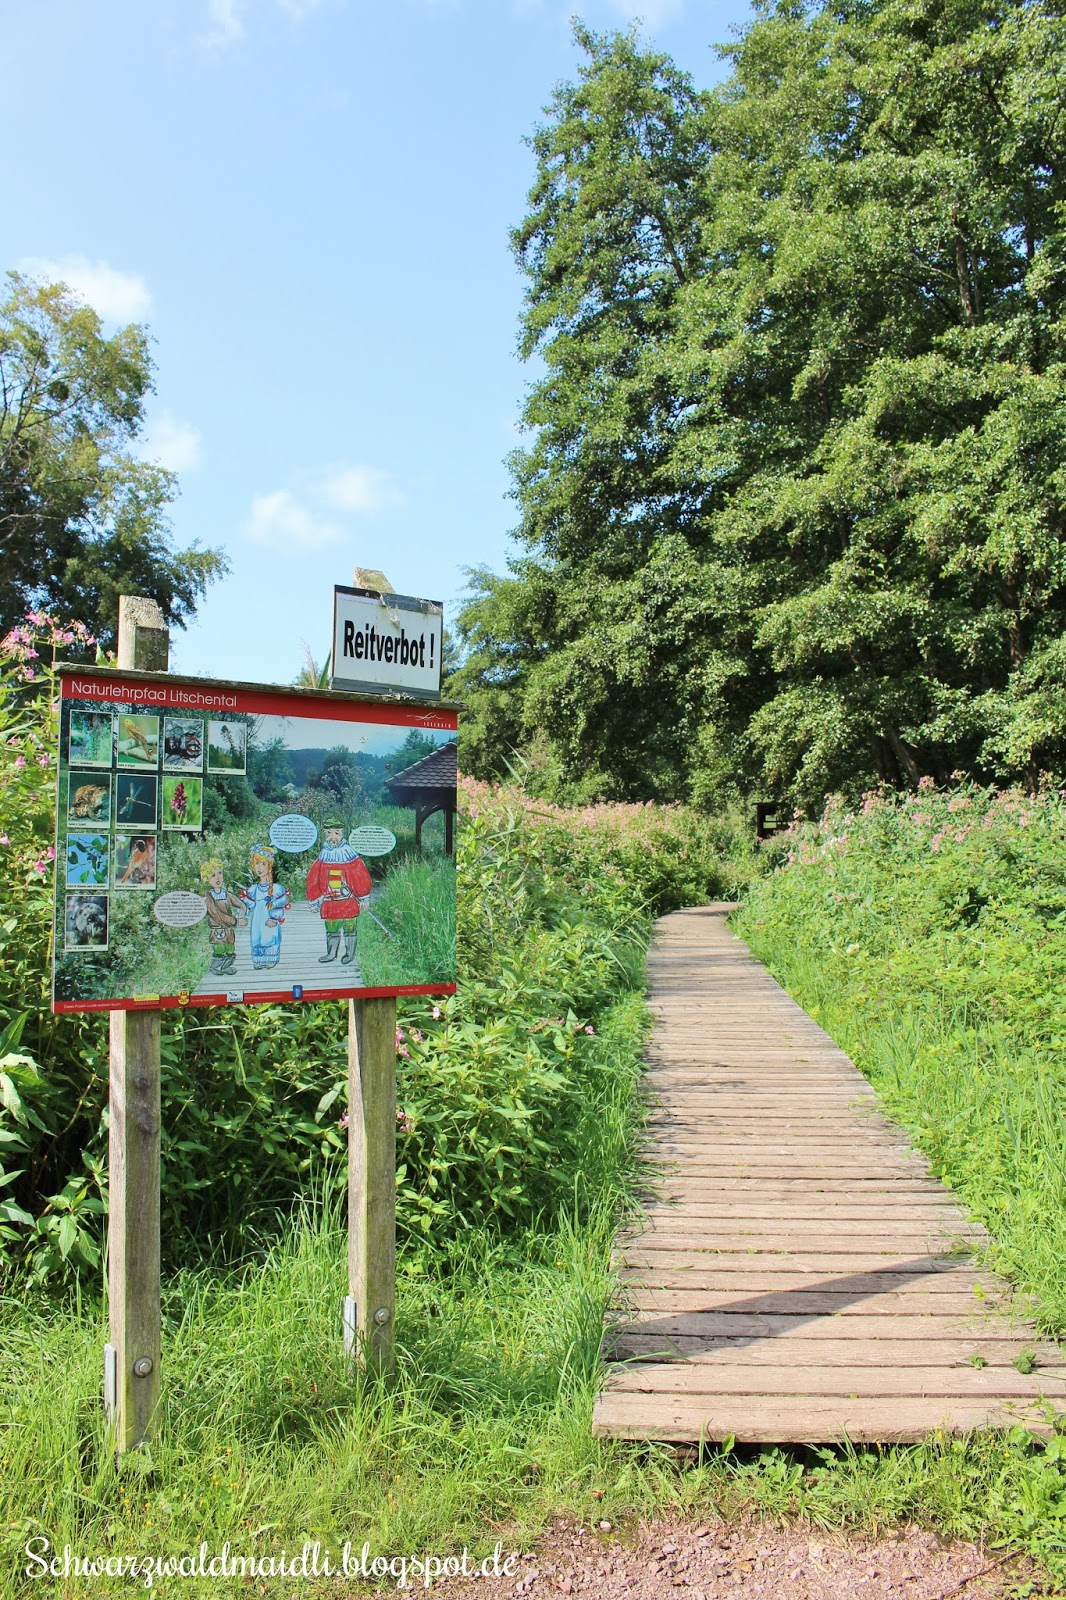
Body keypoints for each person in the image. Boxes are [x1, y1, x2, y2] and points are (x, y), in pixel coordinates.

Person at [305, 817, 372, 965]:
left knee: (350, 928)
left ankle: (349, 954)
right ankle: (331, 953)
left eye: (336, 833)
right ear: (324, 834)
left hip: (348, 900)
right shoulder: (323, 856)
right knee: (331, 928)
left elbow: (360, 876)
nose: (333, 837)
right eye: (329, 833)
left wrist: (363, 897)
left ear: (342, 834)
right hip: (329, 901)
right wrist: (314, 898)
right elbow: (313, 878)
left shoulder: (350, 854)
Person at [240, 845, 290, 970]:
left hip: (269, 920)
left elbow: (280, 905)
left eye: (263, 864)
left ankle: (271, 959)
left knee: (270, 938)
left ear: (269, 865)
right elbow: (246, 904)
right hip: (257, 920)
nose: (260, 867)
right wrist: (242, 915)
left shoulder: (276, 889)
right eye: (257, 863)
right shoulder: (253, 889)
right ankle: (258, 961)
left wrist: (274, 918)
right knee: (257, 938)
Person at [199, 857, 247, 977]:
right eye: (213, 875)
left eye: (219, 873)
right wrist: (236, 921)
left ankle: (226, 967)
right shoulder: (208, 897)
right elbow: (217, 915)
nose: (217, 878)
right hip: (218, 930)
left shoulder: (226, 894)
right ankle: (215, 967)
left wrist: (241, 915)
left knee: (230, 949)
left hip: (229, 930)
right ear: (207, 879)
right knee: (219, 949)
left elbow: (241, 905)